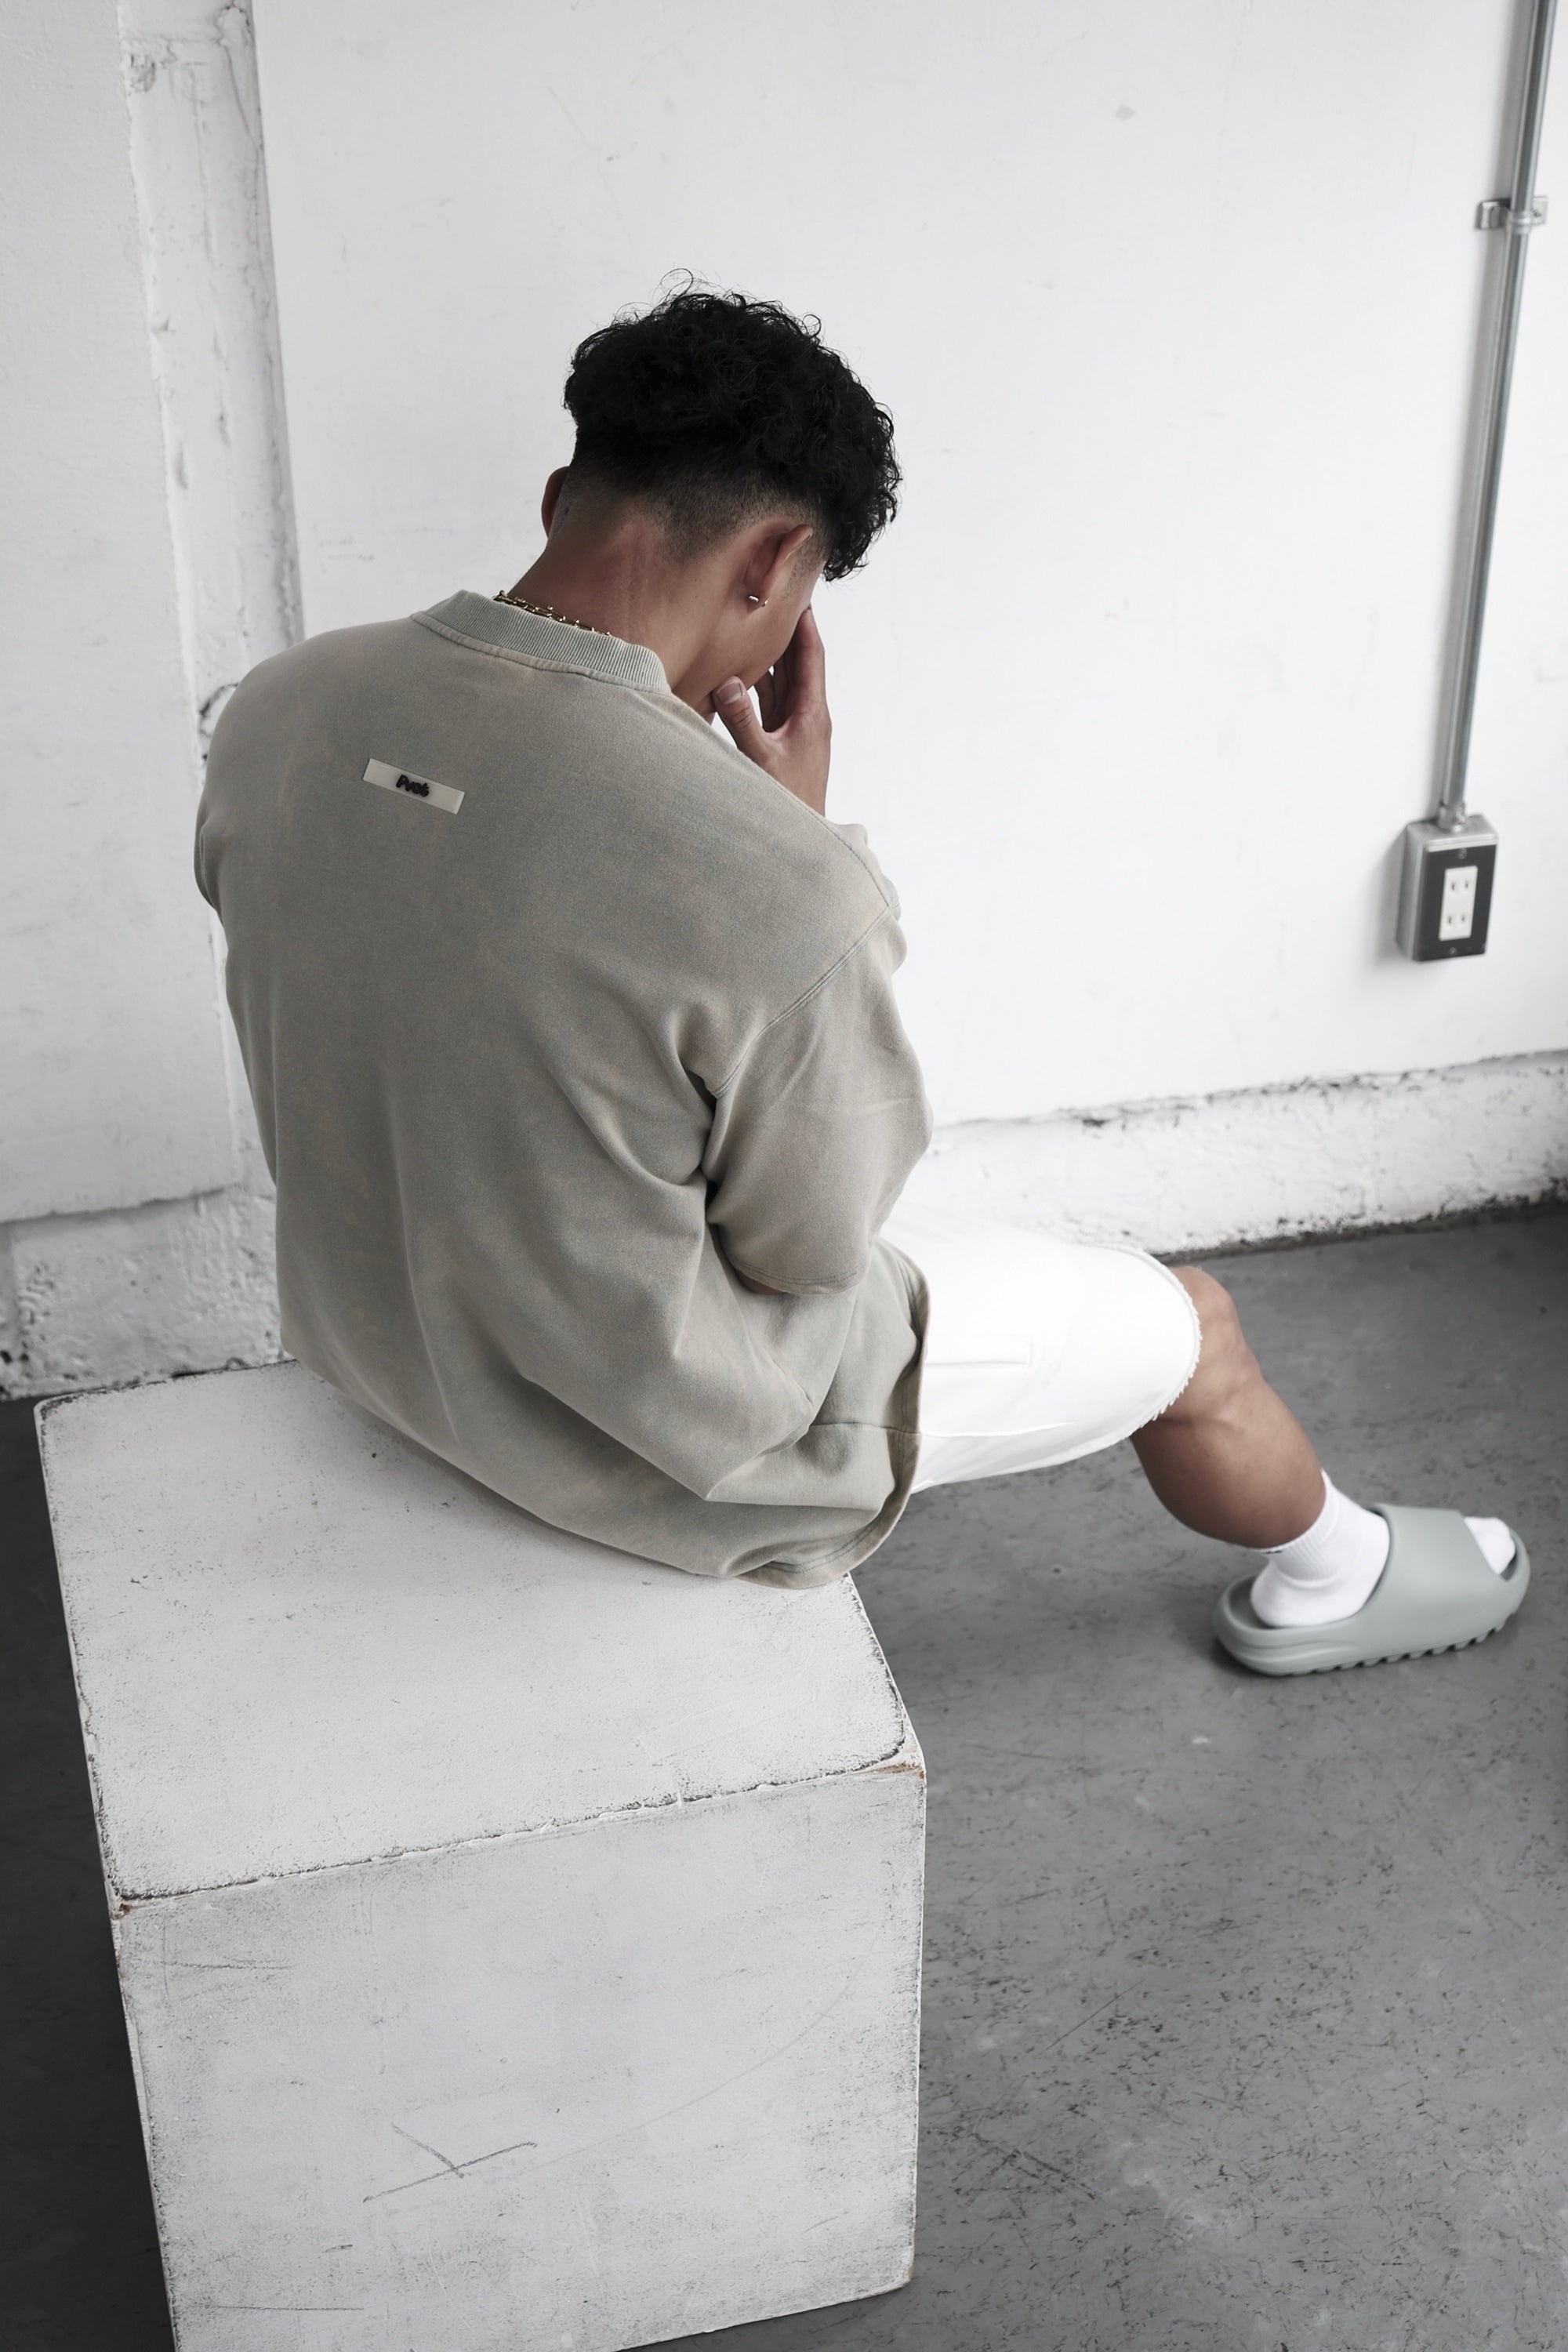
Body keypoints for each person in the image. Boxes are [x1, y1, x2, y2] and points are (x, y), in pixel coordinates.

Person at [196, 286, 1528, 1672]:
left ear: (557, 500)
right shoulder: (772, 882)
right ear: (775, 562)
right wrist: (800, 839)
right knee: (1191, 1328)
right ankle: (1344, 1574)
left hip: (385, 1352)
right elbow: (810, 1251)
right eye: (802, 594)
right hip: (658, 1447)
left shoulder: (277, 709)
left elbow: (429, 982)